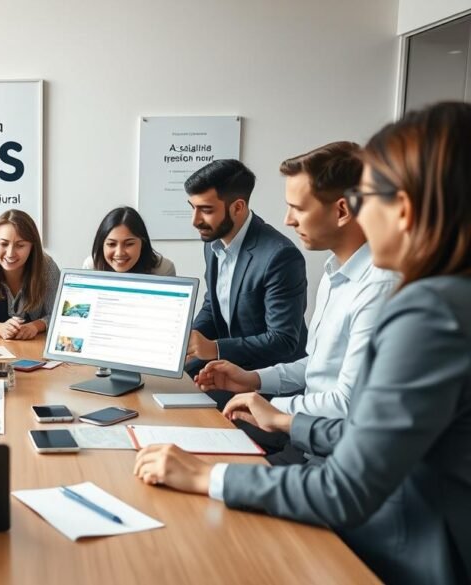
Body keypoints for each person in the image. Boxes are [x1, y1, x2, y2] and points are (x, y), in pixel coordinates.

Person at [134, 102, 471, 584]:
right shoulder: (439, 296)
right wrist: (275, 405)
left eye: (368, 196)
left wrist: (207, 475)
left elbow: (346, 487)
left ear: (406, 207)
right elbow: (367, 429)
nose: (361, 212)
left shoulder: (429, 310)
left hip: (401, 547)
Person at [195, 142, 399, 463]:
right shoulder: (334, 273)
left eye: (298, 208)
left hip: (335, 459)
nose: (288, 220)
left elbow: (348, 404)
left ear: (342, 211)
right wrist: (254, 379)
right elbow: (316, 366)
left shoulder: (379, 287)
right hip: (307, 443)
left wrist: (271, 407)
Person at [183, 159, 308, 386]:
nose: (195, 221)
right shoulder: (213, 244)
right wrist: (187, 340)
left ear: (238, 207)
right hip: (226, 365)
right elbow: (214, 305)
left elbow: (283, 340)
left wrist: (214, 348)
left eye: (206, 210)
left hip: (268, 377)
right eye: (193, 208)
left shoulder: (281, 256)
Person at [0, 210, 61, 339]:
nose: (10, 253)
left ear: (32, 246)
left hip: (34, 346)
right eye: (4, 244)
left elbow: (59, 315)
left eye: (20, 245)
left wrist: (36, 326)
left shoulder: (47, 267)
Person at [82, 206, 176, 275]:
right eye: (111, 244)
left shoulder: (163, 270)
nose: (119, 253)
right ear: (102, 244)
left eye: (129, 244)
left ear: (143, 243)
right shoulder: (92, 267)